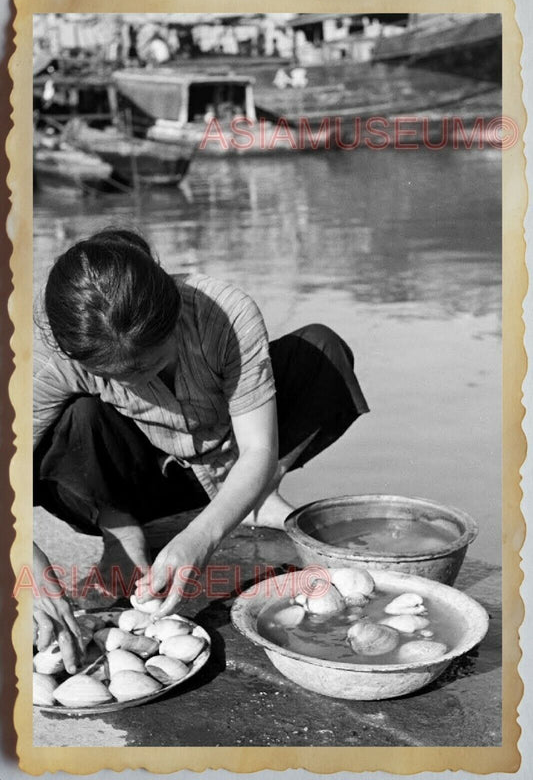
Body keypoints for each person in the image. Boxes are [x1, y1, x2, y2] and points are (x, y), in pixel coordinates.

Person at [33, 229, 369, 670]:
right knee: (74, 417)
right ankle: (120, 530)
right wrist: (33, 570)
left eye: (150, 366)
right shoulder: (55, 352)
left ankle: (254, 498)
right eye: (116, 377)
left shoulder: (225, 313)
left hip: (233, 459)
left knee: (321, 350)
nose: (136, 385)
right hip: (142, 478)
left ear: (174, 318)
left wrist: (201, 537)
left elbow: (258, 447)